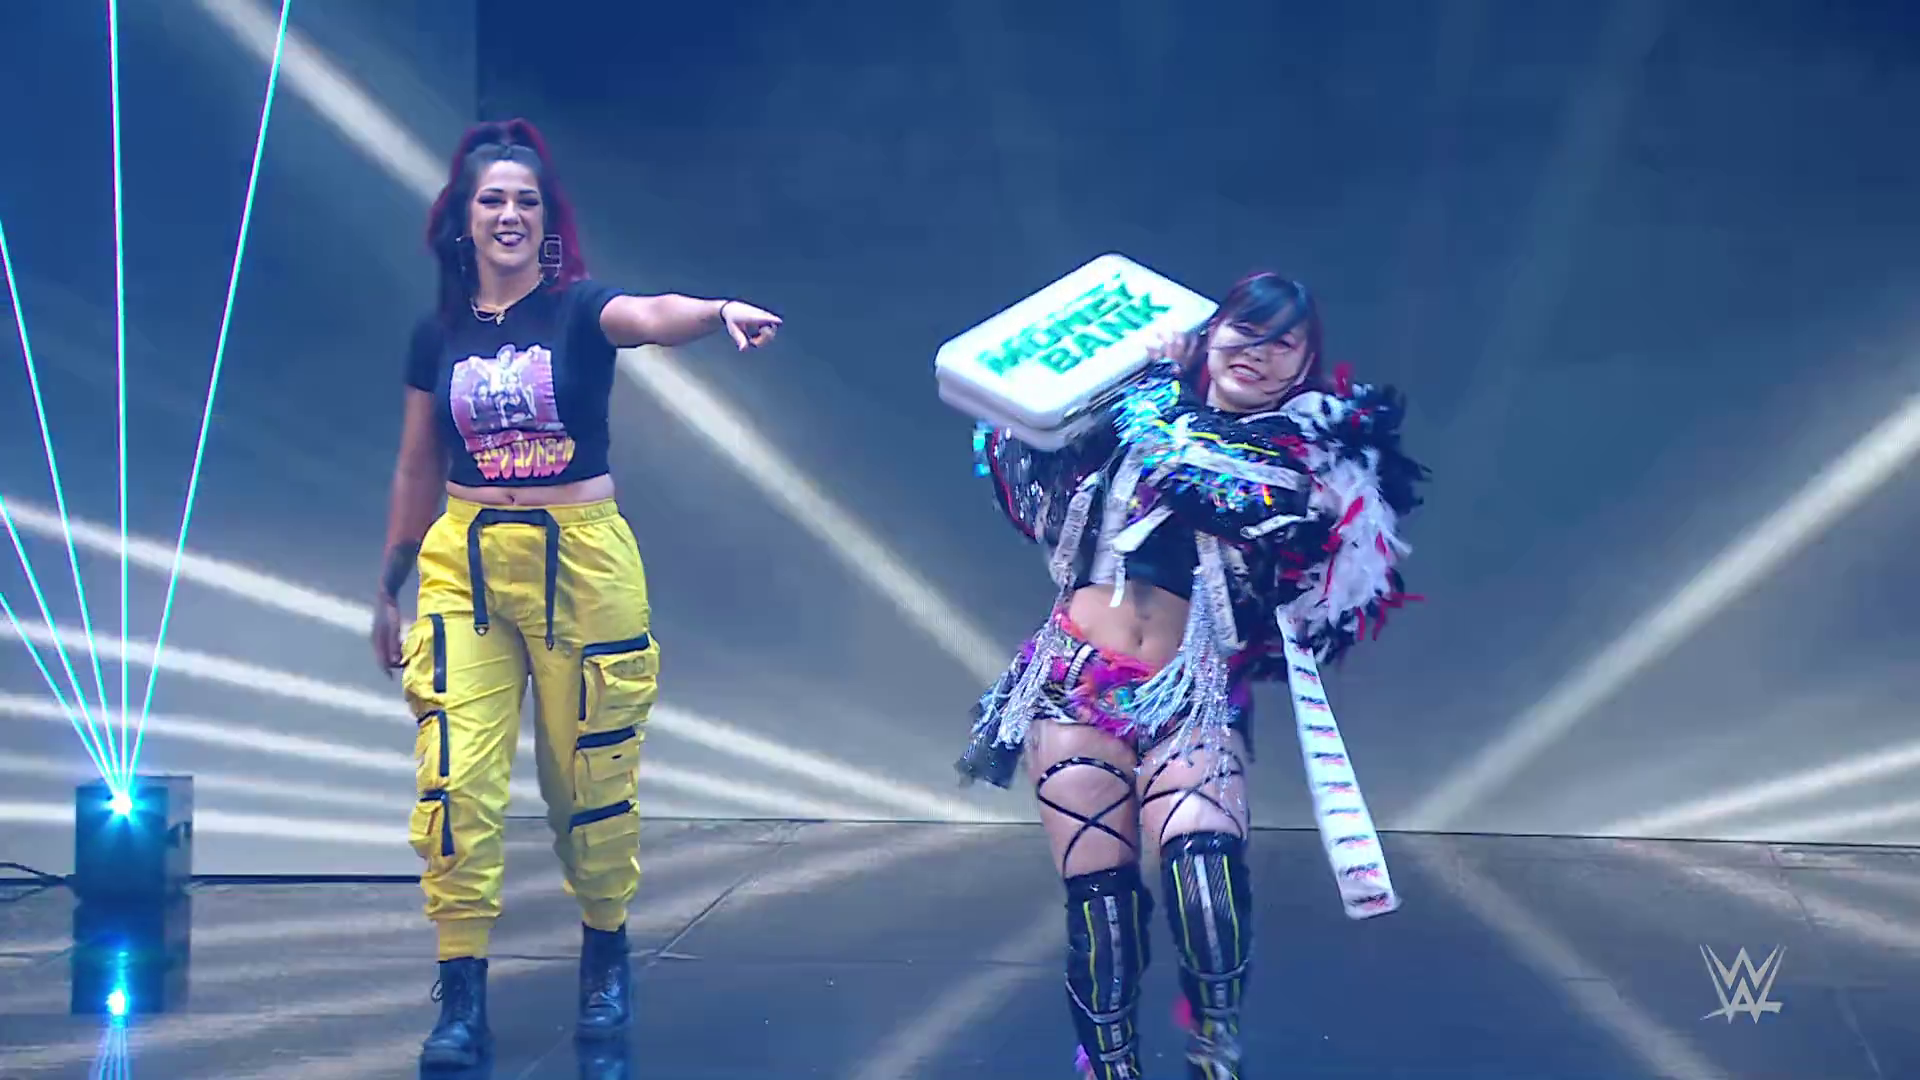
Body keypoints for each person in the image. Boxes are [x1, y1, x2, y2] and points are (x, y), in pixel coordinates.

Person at [371, 118, 782, 1069]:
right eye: (492, 199)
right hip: (465, 560)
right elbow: (415, 465)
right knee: (454, 780)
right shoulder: (438, 334)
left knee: (587, 780)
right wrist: (390, 585)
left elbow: (651, 313)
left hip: (581, 559)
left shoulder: (578, 309)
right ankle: (460, 995)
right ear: (463, 219)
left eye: (526, 200)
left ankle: (604, 954)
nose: (509, 213)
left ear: (546, 220)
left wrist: (718, 310)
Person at [955, 271, 1427, 1080]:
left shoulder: (1298, 452)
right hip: (1072, 683)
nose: (1259, 353)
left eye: (1284, 343)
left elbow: (1211, 486)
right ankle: (1110, 1067)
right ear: (1212, 333)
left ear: (1305, 362)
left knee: (1204, 878)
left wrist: (1155, 394)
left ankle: (1214, 1052)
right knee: (1101, 906)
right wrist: (1048, 389)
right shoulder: (1120, 421)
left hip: (1191, 693)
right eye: (1247, 331)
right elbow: (1018, 470)